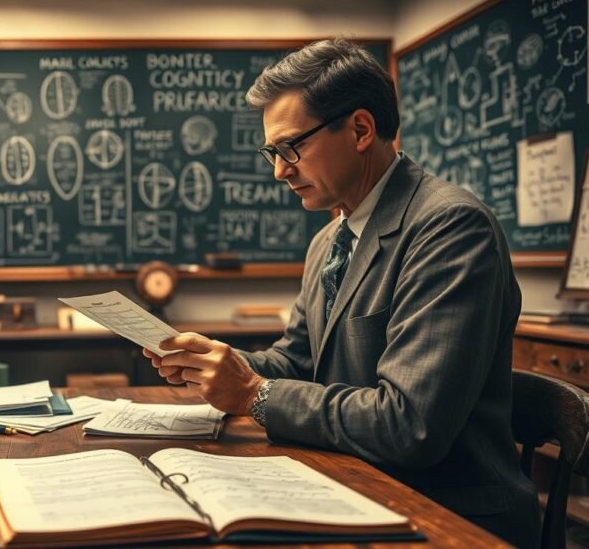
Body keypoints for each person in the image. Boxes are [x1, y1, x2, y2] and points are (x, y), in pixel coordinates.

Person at [143, 38, 539, 547]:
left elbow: (409, 424)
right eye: (272, 152)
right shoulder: (329, 239)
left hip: (448, 515)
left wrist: (252, 393)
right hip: (354, 483)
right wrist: (215, 364)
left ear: (360, 130)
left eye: (292, 147)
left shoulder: (451, 228)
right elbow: (296, 362)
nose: (279, 171)